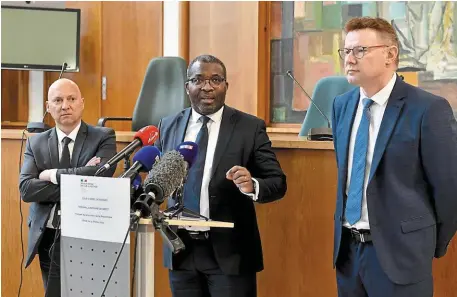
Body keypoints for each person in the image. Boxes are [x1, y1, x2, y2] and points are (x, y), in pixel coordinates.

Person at [332, 17, 457, 297]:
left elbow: (449, 190)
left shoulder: (428, 109)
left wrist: (427, 245)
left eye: (360, 50)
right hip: (349, 255)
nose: (349, 59)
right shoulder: (341, 105)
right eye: (346, 51)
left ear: (390, 54)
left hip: (402, 256)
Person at [155, 54, 287, 297]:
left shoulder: (249, 127)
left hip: (230, 253)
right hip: (181, 251)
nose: (207, 87)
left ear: (226, 85)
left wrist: (252, 185)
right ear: (187, 87)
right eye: (199, 80)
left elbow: (277, 183)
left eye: (216, 80)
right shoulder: (169, 125)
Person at [19, 78, 117, 297]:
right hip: (48, 236)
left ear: (81, 102)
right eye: (58, 100)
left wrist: (51, 175)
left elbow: (101, 178)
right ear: (48, 107)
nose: (65, 105)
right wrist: (81, 181)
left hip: (89, 235)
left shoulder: (103, 137)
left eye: (71, 99)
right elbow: (27, 189)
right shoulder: (36, 143)